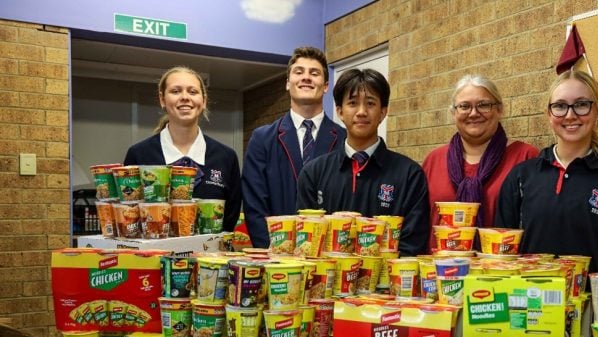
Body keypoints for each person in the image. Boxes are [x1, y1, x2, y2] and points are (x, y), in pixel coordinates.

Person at [297, 68, 430, 256]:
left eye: (370, 103)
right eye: (352, 103)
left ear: (383, 112)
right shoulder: (313, 173)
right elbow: (306, 244)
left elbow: (412, 247)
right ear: (340, 111)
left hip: (389, 283)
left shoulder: (409, 175)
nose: (361, 112)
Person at [494, 70, 598, 274]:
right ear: (548, 114)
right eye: (559, 106)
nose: (570, 115)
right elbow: (502, 253)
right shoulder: (522, 177)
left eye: (582, 104)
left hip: (593, 303)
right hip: (530, 300)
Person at [241, 46, 346, 248]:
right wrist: (271, 254)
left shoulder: (344, 140)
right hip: (276, 256)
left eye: (314, 73)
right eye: (299, 72)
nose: (306, 77)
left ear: (325, 86)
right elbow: (254, 207)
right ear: (288, 83)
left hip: (329, 259)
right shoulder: (262, 139)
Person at [422, 75, 538, 245]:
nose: (474, 113)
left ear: (499, 110)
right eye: (464, 106)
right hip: (439, 269)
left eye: (483, 105)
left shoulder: (526, 157)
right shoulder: (433, 160)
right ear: (453, 113)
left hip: (502, 268)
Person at [124, 66, 242, 232]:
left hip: (209, 256)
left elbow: (230, 218)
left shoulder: (226, 157)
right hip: (154, 256)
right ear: (162, 99)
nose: (185, 97)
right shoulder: (139, 155)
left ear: (204, 100)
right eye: (176, 91)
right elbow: (129, 215)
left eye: (193, 92)